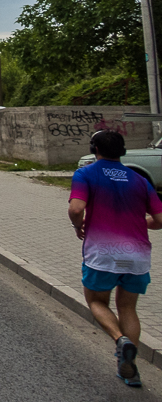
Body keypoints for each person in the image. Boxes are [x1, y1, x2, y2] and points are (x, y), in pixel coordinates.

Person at [69, 130, 162, 387]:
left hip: (103, 254)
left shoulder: (85, 174)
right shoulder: (139, 179)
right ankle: (130, 368)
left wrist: (79, 226)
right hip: (137, 255)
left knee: (97, 301)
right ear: (122, 151)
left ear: (94, 148)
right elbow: (160, 220)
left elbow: (76, 208)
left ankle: (120, 341)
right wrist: (142, 222)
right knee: (128, 307)